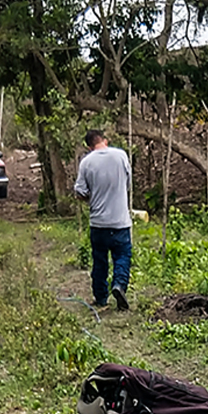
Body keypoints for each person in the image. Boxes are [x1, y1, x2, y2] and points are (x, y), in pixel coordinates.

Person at [75, 129, 133, 311]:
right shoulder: (121, 156)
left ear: (89, 146)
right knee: (122, 256)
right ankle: (119, 285)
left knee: (99, 261)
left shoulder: (86, 162)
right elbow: (128, 183)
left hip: (98, 223)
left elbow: (80, 192)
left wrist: (91, 197)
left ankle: (101, 297)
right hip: (120, 221)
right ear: (105, 141)